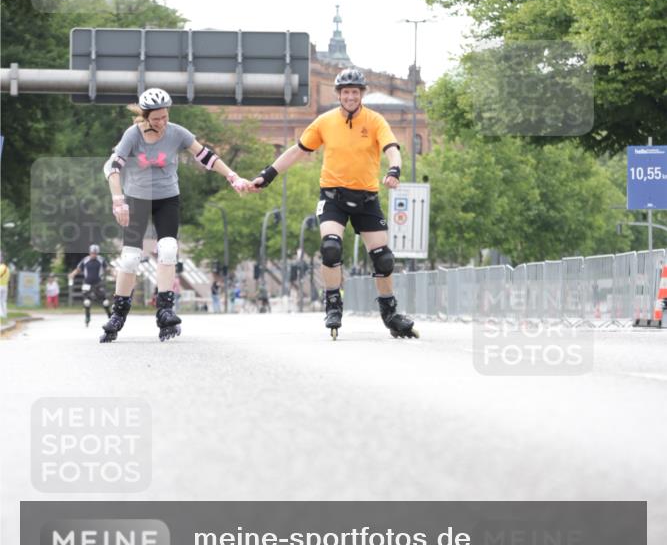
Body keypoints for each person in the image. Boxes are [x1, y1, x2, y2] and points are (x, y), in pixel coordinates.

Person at [249, 67, 418, 339]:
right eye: (346, 92)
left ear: (361, 94)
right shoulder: (324, 121)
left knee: (383, 258)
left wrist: (394, 170)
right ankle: (333, 304)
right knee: (330, 248)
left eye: (355, 92)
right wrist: (266, 176)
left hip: (367, 198)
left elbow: (391, 148)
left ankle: (390, 313)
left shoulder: (375, 120)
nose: (350, 96)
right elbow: (297, 151)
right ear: (339, 94)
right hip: (333, 197)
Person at [101, 87, 250, 343]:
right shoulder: (132, 135)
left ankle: (165, 309)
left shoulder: (177, 133)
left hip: (167, 197)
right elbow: (113, 167)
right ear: (145, 116)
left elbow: (206, 157)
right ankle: (119, 312)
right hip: (137, 198)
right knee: (129, 258)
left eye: (165, 116)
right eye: (156, 118)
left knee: (168, 248)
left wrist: (232, 177)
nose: (161, 122)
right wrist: (118, 200)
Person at [68, 245, 111, 326]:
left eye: (95, 253)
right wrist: (72, 274)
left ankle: (110, 316)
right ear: (89, 253)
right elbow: (78, 269)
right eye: (92, 253)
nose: (93, 255)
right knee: (87, 302)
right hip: (87, 283)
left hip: (98, 283)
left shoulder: (101, 260)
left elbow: (108, 268)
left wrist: (115, 273)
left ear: (97, 253)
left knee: (105, 302)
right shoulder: (85, 260)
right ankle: (87, 318)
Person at [0, 252, 9, 320]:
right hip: (5, 286)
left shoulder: (0, 268)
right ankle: (5, 314)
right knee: (3, 301)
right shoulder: (7, 269)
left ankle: (1, 315)